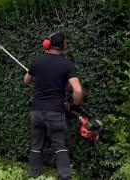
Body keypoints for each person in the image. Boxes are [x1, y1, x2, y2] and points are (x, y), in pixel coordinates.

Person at [24, 33, 83, 180]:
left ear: (47, 44)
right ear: (63, 46)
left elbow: (26, 80)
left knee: (36, 144)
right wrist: (74, 104)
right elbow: (78, 90)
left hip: (37, 112)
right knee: (59, 145)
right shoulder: (67, 64)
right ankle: (64, 176)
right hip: (55, 112)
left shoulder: (36, 61)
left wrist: (33, 72)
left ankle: (34, 174)